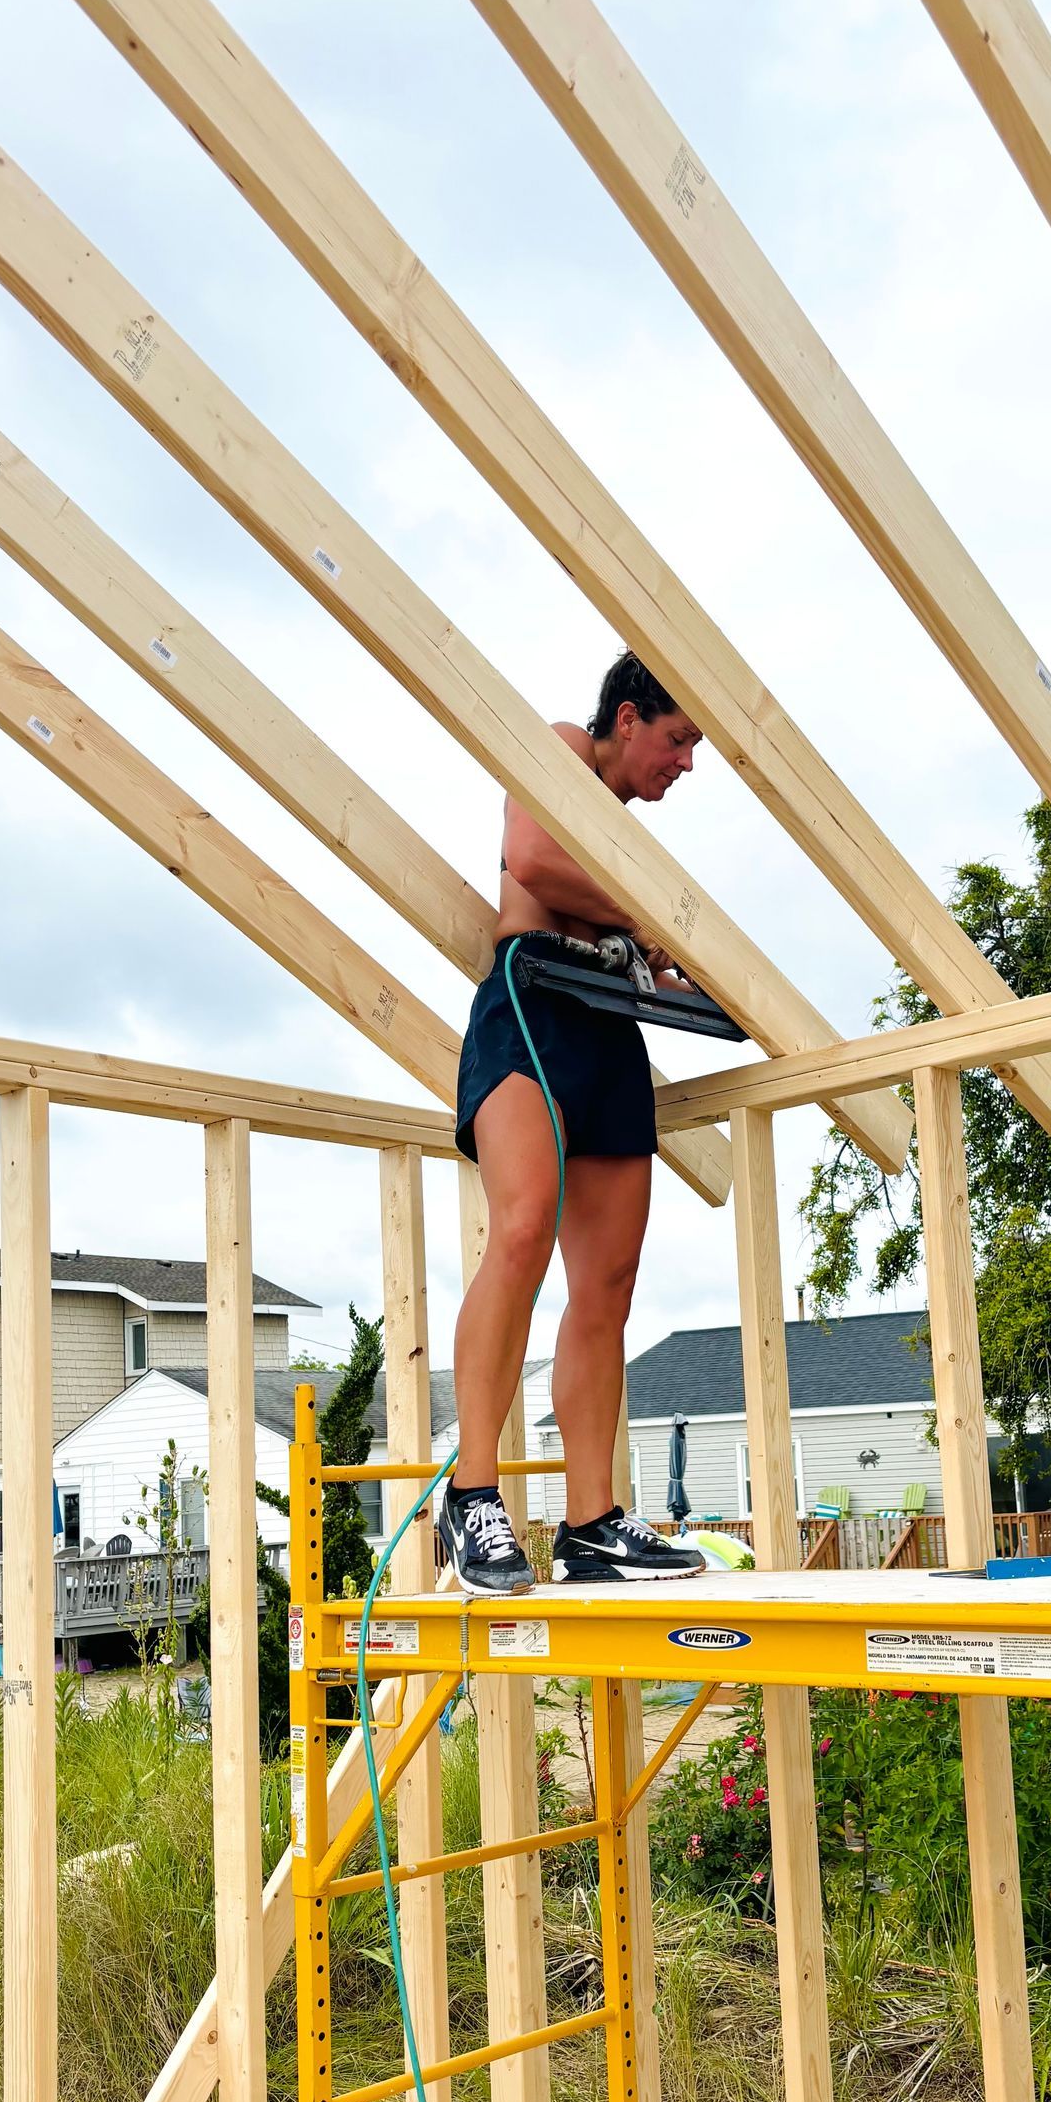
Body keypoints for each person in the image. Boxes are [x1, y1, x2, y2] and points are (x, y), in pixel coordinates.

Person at [440, 652, 713, 1593]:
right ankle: (473, 1495)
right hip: (533, 1001)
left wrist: (663, 952)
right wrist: (650, 926)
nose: (685, 764)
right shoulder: (564, 748)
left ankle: (592, 1521)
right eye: (679, 740)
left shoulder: (633, 851)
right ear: (628, 719)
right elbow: (535, 862)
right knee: (521, 1229)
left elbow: (650, 939)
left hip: (607, 1028)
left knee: (611, 1279)